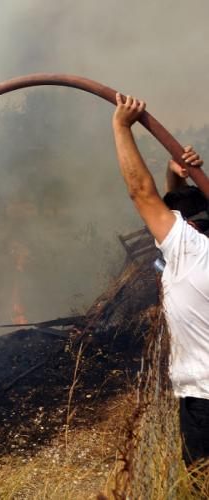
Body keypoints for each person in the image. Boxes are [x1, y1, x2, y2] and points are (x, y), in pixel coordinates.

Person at [112, 93, 209, 464]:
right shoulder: (194, 246)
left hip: (205, 402)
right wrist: (177, 176)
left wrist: (121, 126)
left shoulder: (190, 251)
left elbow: (142, 192)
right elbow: (174, 210)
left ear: (185, 226)